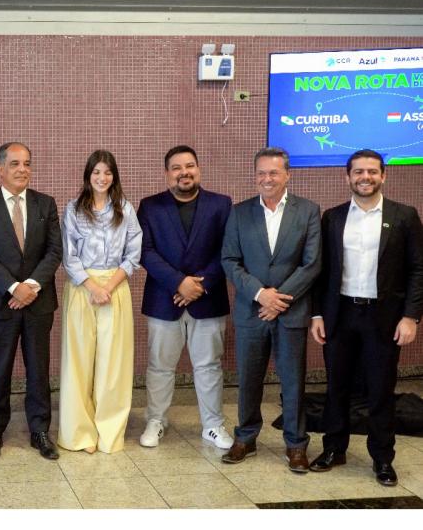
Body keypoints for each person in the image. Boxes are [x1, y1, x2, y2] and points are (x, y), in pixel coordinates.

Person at [308, 149, 423, 486]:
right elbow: (322, 272)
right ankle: (333, 449)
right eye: (358, 172)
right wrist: (317, 314)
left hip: (384, 318)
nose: (365, 177)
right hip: (340, 314)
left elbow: (418, 270)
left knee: (380, 390)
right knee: (337, 386)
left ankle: (382, 459)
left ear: (383, 176)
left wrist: (411, 317)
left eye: (372, 171)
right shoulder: (333, 217)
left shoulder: (404, 217)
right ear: (348, 177)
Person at [221, 147, 321, 472]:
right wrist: (261, 294)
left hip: (290, 313)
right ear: (255, 176)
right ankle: (246, 438)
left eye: (274, 172)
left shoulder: (308, 211)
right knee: (248, 379)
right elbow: (230, 261)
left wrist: (279, 300)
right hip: (252, 311)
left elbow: (312, 264)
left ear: (287, 174)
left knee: (293, 381)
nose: (267, 178)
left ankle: (296, 445)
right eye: (261, 173)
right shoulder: (239, 212)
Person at [0, 142, 63, 461]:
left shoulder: (46, 204)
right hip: (0, 304)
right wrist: (13, 287)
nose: (22, 169)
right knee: (0, 369)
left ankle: (40, 431)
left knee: (39, 369)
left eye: (27, 163)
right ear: (0, 169)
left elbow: (55, 251)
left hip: (38, 302)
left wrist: (31, 286)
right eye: (14, 164)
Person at [137, 145, 233, 449]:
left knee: (208, 366)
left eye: (189, 166)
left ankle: (213, 425)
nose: (184, 173)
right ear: (167, 174)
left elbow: (228, 251)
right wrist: (179, 283)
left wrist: (200, 285)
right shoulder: (150, 206)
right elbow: (145, 251)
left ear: (199, 169)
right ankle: (156, 420)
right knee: (160, 366)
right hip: (164, 299)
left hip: (209, 298)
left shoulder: (221, 204)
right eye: (176, 168)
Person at [58, 150, 141, 454]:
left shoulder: (126, 210)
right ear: (88, 176)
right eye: (96, 172)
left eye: (107, 173)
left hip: (115, 288)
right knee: (78, 364)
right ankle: (80, 434)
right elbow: (68, 255)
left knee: (113, 365)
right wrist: (93, 286)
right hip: (82, 289)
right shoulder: (73, 210)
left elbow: (134, 254)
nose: (102, 178)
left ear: (114, 176)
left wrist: (109, 287)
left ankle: (109, 432)